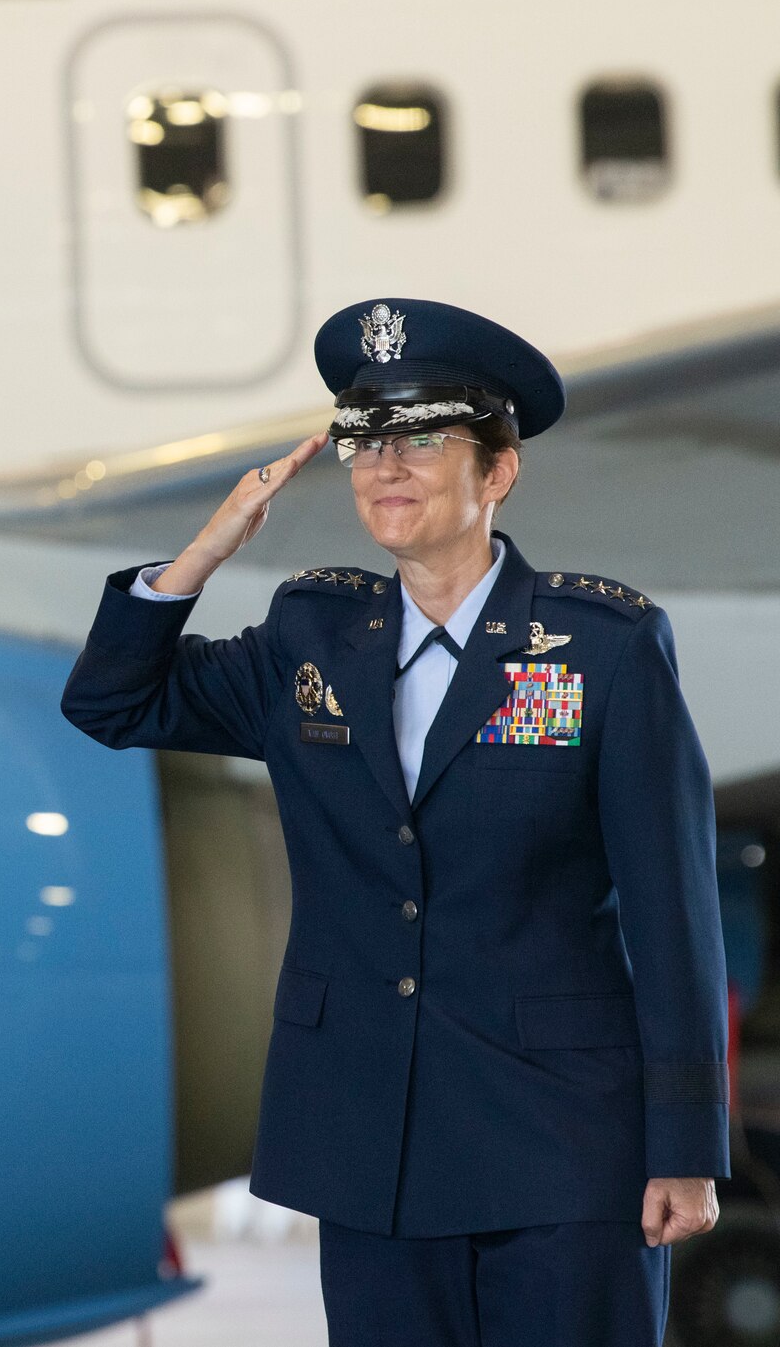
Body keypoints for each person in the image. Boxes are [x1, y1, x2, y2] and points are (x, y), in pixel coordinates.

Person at [61, 298, 727, 1346]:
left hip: (559, 1140)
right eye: (365, 444)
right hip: (372, 1141)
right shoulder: (313, 634)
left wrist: (684, 1144)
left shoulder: (602, 644)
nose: (385, 468)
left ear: (496, 471)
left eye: (420, 440)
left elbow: (672, 913)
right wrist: (204, 549)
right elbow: (111, 703)